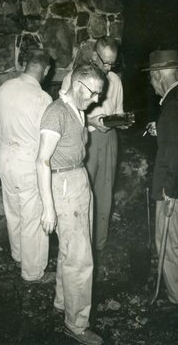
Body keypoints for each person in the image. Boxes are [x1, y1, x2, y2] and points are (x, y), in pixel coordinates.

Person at [36, 62, 105, 345]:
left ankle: (63, 302)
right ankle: (76, 325)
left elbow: (73, 133)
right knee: (80, 260)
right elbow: (42, 160)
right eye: (93, 93)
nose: (97, 99)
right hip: (63, 186)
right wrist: (48, 208)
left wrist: (90, 121)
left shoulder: (75, 108)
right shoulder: (55, 113)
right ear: (78, 86)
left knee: (71, 252)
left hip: (78, 179)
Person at [0, 49, 55, 283]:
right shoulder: (42, 99)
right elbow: (46, 141)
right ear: (46, 70)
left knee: (13, 212)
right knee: (32, 217)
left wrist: (4, 151)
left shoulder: (4, 88)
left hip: (5, 157)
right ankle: (33, 272)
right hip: (28, 159)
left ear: (26, 64)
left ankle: (18, 256)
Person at [60, 36, 129, 253]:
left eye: (112, 63)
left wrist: (121, 121)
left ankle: (99, 243)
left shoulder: (115, 80)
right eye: (105, 62)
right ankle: (81, 243)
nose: (108, 68)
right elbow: (65, 114)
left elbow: (117, 109)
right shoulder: (73, 79)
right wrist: (90, 121)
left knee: (104, 192)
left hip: (108, 139)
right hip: (83, 138)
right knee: (82, 192)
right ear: (93, 55)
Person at [143, 50, 178, 306]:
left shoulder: (173, 104)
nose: (151, 83)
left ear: (158, 75)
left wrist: (170, 190)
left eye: (151, 78)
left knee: (172, 244)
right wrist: (163, 129)